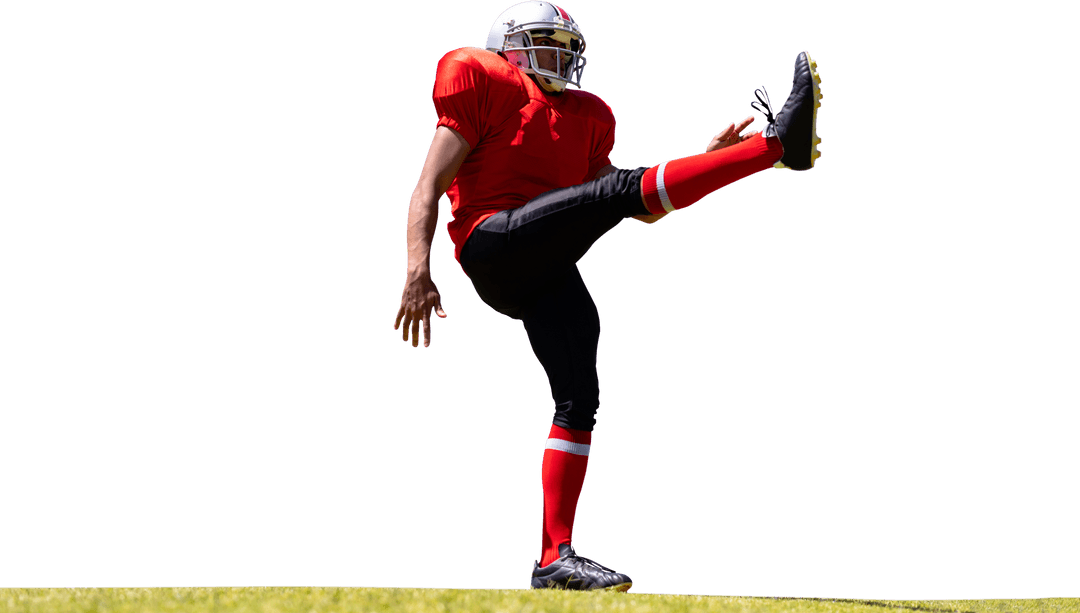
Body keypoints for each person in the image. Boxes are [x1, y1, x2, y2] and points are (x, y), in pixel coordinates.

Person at [393, 0, 823, 592]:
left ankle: (553, 559)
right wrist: (419, 268)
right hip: (493, 241)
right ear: (508, 47)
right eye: (549, 43)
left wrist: (707, 161)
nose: (563, 57)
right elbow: (427, 187)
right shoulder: (480, 76)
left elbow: (638, 211)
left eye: (569, 48)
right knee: (618, 189)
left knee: (579, 397)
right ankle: (777, 146)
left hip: (543, 263)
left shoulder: (590, 116)